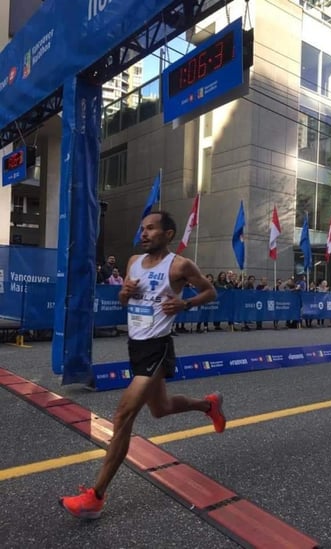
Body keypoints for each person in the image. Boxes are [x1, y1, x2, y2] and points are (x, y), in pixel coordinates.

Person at [59, 211, 225, 519]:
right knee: (160, 409)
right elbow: (126, 301)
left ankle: (95, 497)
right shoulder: (133, 261)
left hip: (158, 348)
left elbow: (210, 291)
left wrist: (184, 304)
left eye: (151, 228)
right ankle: (208, 405)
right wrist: (124, 293)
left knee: (123, 415)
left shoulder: (179, 265)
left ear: (168, 234)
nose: (144, 232)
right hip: (135, 346)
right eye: (142, 228)